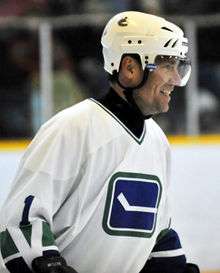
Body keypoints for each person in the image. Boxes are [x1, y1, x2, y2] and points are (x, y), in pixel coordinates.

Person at [0, 11, 199, 273]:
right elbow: (20, 225)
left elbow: (157, 235)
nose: (175, 79)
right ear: (130, 69)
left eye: (179, 67)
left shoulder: (157, 142)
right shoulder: (72, 128)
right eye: (166, 66)